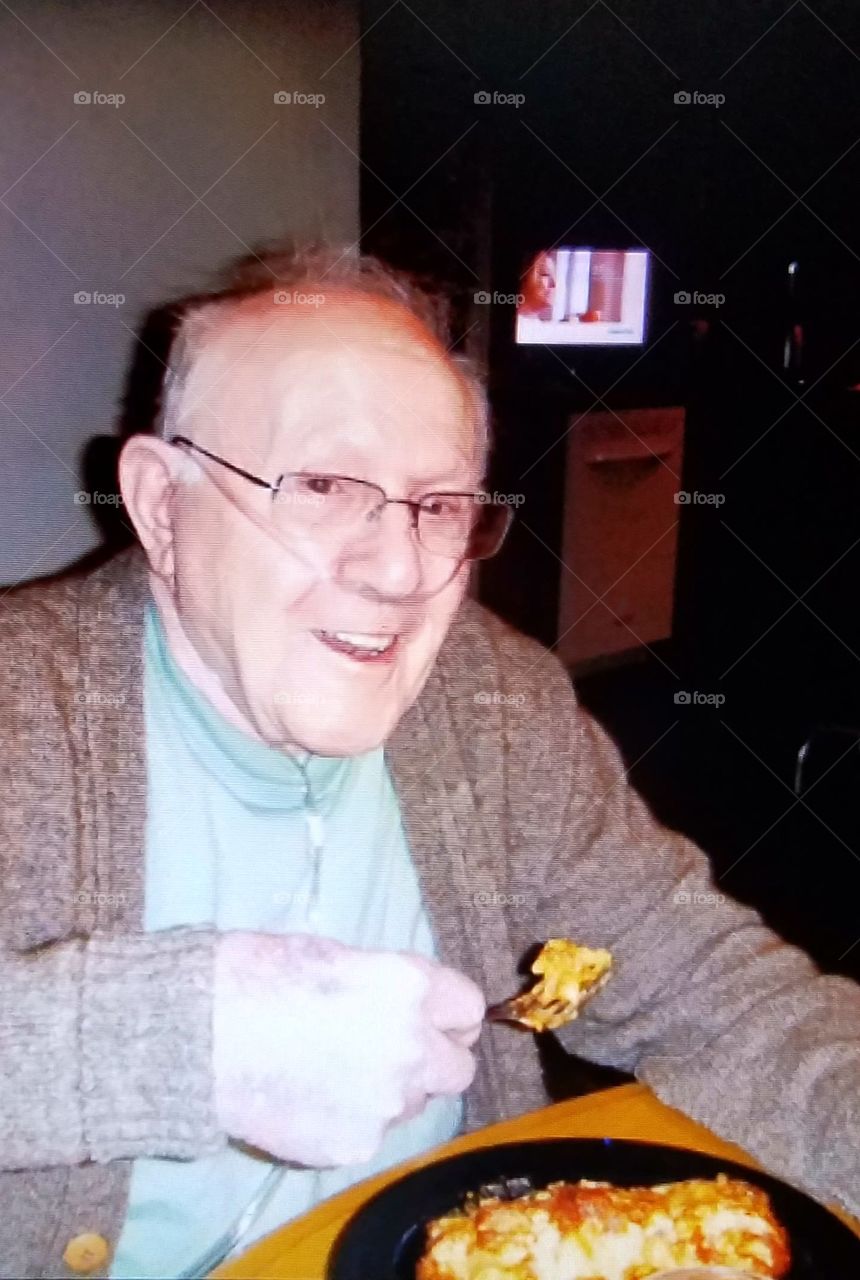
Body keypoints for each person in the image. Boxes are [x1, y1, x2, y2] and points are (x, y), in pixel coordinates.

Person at [0, 244, 857, 1280]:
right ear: (161, 504)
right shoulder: (20, 712)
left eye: (439, 504)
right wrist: (179, 1037)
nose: (401, 570)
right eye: (320, 485)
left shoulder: (494, 704)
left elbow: (715, 993)